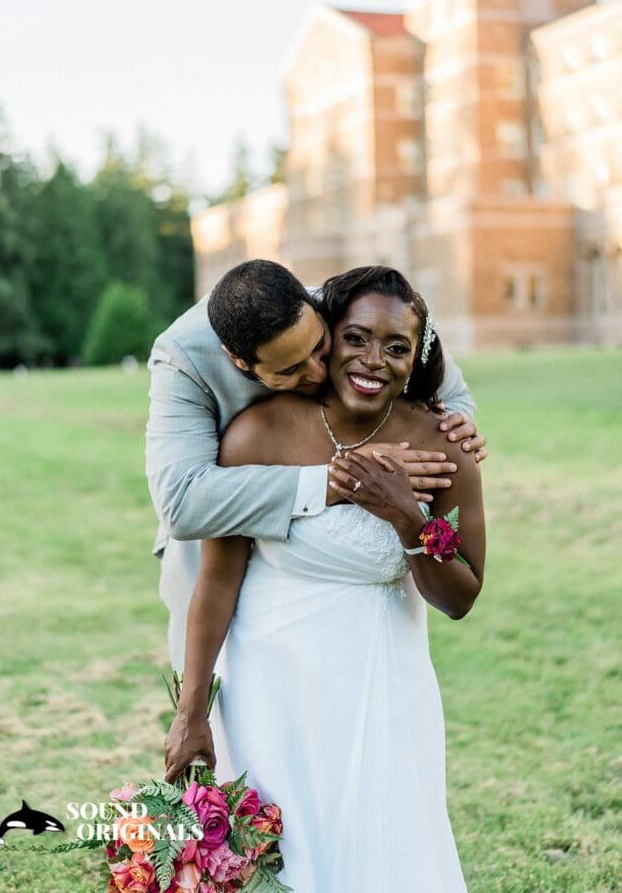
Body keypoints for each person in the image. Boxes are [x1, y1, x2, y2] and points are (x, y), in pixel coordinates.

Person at [164, 266, 485, 892]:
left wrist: (407, 518)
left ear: (416, 356)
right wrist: (191, 712)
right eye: (356, 339)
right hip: (271, 689)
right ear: (330, 336)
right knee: (282, 858)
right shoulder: (257, 433)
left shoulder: (444, 447)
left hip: (383, 687)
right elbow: (217, 584)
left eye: (396, 347)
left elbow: (462, 597)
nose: (373, 361)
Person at [146, 260, 486, 672]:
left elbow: (450, 392)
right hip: (221, 527)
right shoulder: (184, 359)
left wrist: (455, 432)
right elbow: (183, 504)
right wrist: (341, 478)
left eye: (320, 346)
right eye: (290, 370)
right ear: (240, 362)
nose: (319, 371)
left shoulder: (356, 308)